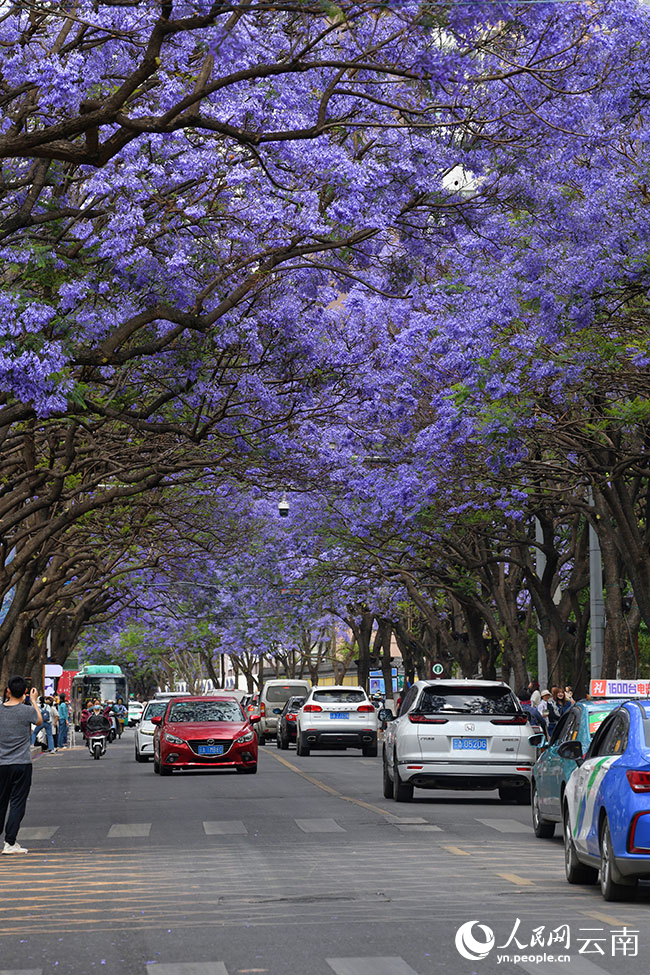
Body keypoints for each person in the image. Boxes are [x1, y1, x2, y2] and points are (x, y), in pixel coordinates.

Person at [0, 677, 43, 853]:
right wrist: (33, 701)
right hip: (22, 764)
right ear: (25, 692)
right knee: (17, 802)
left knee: (1, 802)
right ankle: (10, 843)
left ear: (8, 691)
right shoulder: (27, 711)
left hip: (1, 764)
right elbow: (39, 721)